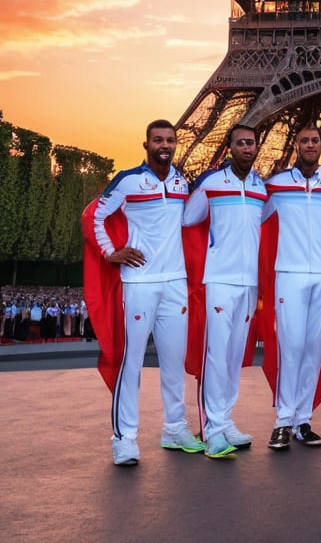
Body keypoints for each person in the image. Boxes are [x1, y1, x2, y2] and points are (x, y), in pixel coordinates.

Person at [91, 119, 203, 466]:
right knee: (132, 364)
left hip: (174, 283)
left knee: (173, 364)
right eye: (158, 140)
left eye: (170, 140)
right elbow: (96, 216)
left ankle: (174, 428)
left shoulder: (183, 181)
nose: (165, 145)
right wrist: (110, 252)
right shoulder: (128, 180)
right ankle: (124, 438)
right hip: (138, 282)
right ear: (146, 145)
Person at [183, 122, 267, 459]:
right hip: (219, 279)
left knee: (233, 357)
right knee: (216, 356)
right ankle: (211, 429)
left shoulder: (262, 186)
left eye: (251, 143)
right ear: (230, 147)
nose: (247, 147)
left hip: (249, 282)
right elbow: (189, 219)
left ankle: (225, 420)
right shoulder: (211, 183)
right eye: (241, 142)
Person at [263, 123, 321, 450]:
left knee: (313, 349)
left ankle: (303, 420)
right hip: (290, 274)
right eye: (305, 141)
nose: (310, 145)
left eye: (315, 140)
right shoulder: (277, 185)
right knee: (291, 346)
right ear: (296, 145)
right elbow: (252, 214)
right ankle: (283, 420)